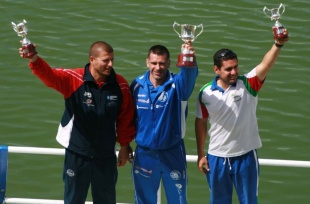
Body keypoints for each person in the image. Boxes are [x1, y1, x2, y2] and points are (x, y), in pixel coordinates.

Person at [18, 41, 136, 204]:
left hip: (106, 155)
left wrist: (124, 145)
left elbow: (125, 119)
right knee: (73, 200)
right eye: (106, 60)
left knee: (107, 200)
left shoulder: (121, 85)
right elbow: (49, 76)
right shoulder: (73, 79)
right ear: (92, 59)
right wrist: (34, 60)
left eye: (112, 60)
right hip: (77, 154)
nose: (110, 64)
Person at [195, 29, 289, 204]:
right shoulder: (205, 93)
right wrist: (201, 155)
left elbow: (266, 64)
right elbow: (200, 123)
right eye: (228, 69)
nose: (233, 72)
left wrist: (278, 44)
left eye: (236, 67)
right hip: (216, 158)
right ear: (216, 69)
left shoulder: (248, 84)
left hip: (245, 157)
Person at [130, 43, 198, 204]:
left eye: (162, 63)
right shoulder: (136, 85)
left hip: (172, 153)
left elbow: (189, 76)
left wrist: (187, 55)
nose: (158, 67)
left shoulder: (178, 85)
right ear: (147, 62)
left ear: (169, 63)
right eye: (154, 63)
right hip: (144, 154)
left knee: (178, 201)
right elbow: (128, 118)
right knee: (143, 201)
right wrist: (125, 145)